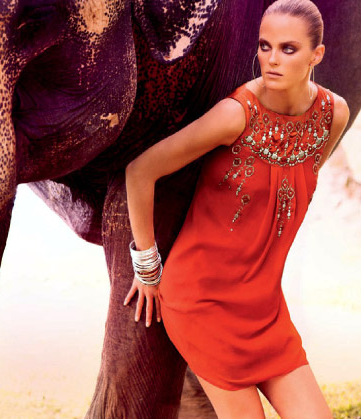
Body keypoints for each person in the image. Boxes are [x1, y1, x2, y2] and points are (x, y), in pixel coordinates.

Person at [123, 0, 350, 417]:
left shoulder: (332, 115)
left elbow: (300, 181)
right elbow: (140, 172)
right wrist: (148, 269)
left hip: (266, 309)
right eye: (265, 46)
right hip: (202, 303)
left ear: (316, 55)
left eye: (288, 48)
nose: (272, 59)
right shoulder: (236, 114)